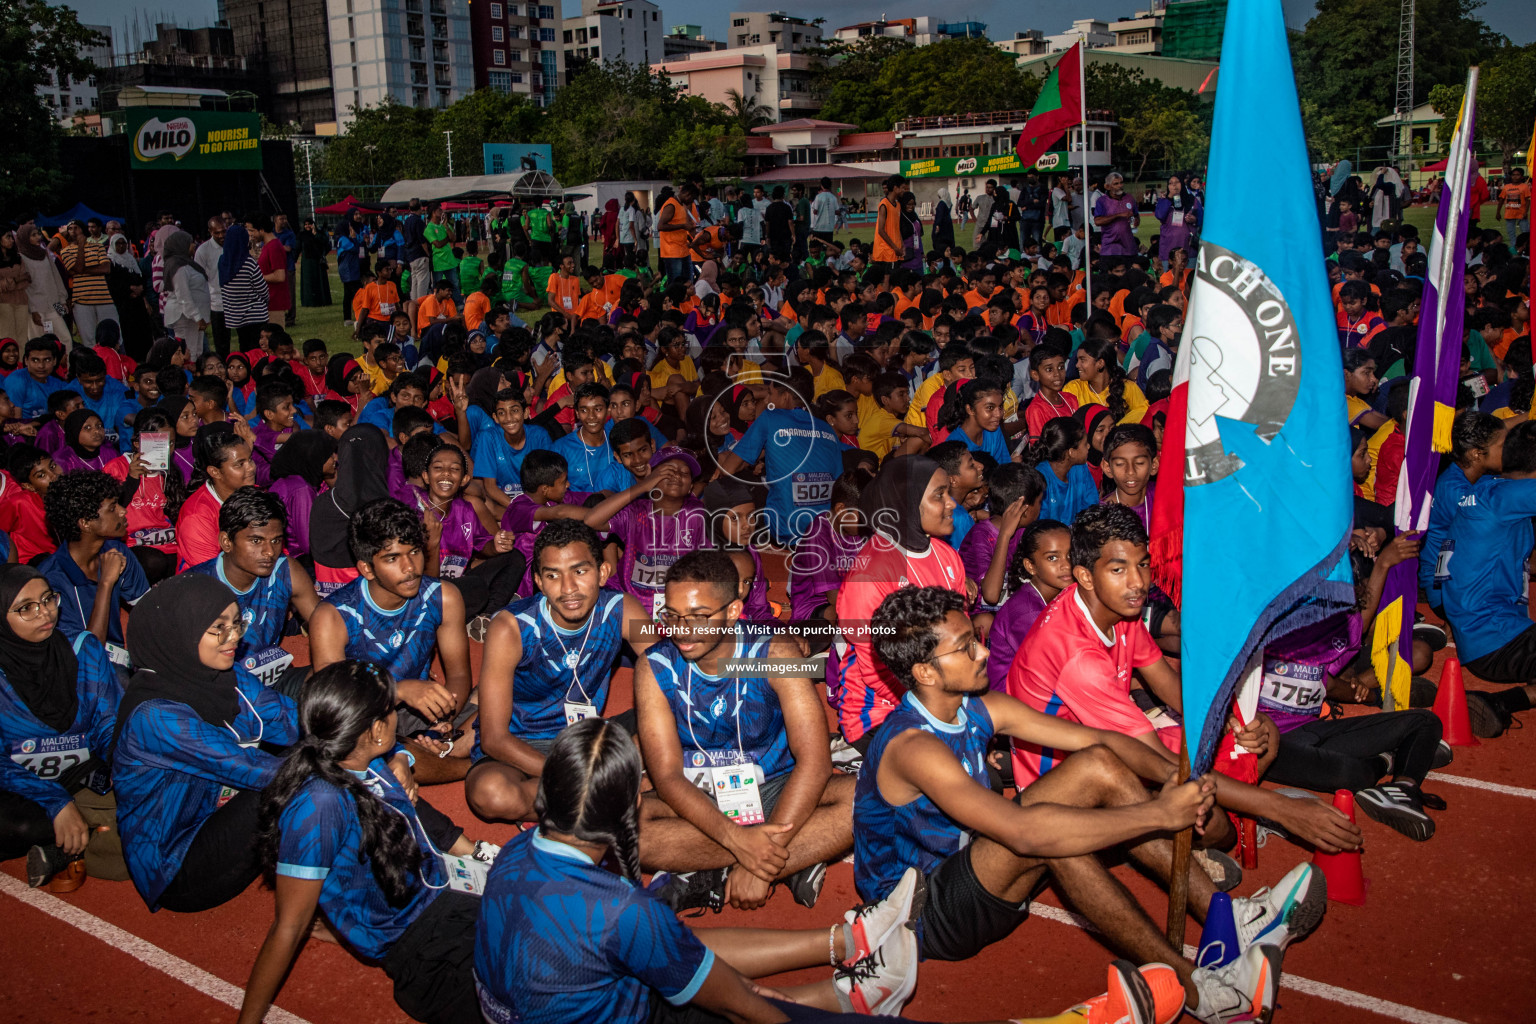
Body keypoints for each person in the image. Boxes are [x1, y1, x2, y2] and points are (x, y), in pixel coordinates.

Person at [858, 584, 1314, 1024]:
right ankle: (1200, 991)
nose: (981, 651)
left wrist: (1184, 781)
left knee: (1097, 762)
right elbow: (1022, 833)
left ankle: (1225, 918)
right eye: (965, 647)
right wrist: (1158, 813)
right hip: (918, 917)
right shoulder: (913, 746)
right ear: (924, 672)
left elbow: (1101, 739)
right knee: (1052, 836)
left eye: (975, 640)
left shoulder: (980, 708)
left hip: (971, 870)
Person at [1006, 504, 1365, 859]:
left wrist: (1232, 721)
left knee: (1256, 735)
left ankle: (1225, 818)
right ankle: (1220, 830)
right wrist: (1282, 808)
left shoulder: (1114, 605)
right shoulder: (1076, 653)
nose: (1137, 582)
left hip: (1114, 747)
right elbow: (1154, 758)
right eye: (1118, 569)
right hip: (1063, 788)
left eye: (1142, 564)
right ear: (1085, 576)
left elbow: (1167, 685)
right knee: (1216, 824)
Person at [237, 661, 491, 1024]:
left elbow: (394, 761)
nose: (397, 716)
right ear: (374, 730)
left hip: (449, 896)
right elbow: (287, 927)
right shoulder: (320, 806)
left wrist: (401, 756)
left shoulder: (357, 760)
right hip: (428, 950)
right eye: (390, 710)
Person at [636, 551, 855, 913]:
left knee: (864, 799)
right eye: (672, 616)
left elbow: (815, 762)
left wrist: (754, 862)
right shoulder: (654, 665)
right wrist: (738, 841)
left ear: (734, 611)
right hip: (700, 794)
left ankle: (709, 872)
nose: (682, 630)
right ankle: (790, 860)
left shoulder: (774, 652)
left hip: (776, 790)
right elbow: (667, 777)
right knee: (623, 826)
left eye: (699, 617)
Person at [111, 575, 304, 912]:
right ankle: (327, 903)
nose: (234, 638)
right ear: (180, 631)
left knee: (312, 752)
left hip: (219, 810)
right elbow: (256, 771)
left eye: (236, 623)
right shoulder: (156, 717)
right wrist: (361, 766)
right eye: (219, 627)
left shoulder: (226, 673)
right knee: (293, 784)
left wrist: (376, 740)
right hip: (178, 863)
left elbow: (291, 720)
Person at [466, 519, 653, 825]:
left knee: (673, 713)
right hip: (521, 742)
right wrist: (581, 779)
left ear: (603, 572)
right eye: (553, 576)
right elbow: (494, 739)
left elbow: (668, 669)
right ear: (539, 582)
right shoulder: (510, 627)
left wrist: (752, 665)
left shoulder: (622, 609)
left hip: (587, 736)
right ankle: (602, 797)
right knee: (491, 795)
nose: (568, 589)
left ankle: (583, 801)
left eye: (580, 571)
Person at [308, 498, 474, 783]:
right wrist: (397, 690)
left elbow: (458, 675)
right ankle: (465, 766)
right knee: (361, 752)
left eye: (414, 552)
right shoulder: (333, 616)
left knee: (504, 706)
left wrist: (442, 720)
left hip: (421, 711)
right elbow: (336, 705)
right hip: (365, 718)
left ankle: (435, 749)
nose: (410, 567)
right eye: (392, 558)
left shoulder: (443, 596)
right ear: (367, 568)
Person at [0, 564, 127, 890]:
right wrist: (55, 801)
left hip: (79, 771)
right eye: (26, 608)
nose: (45, 613)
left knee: (153, 785)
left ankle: (65, 847)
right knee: (28, 825)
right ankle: (74, 837)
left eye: (48, 600)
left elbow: (107, 720)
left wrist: (121, 763)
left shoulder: (83, 648)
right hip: (16, 781)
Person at [831, 454, 967, 750]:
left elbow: (960, 637)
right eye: (939, 495)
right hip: (879, 710)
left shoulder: (948, 557)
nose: (951, 503)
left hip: (939, 693)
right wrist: (937, 707)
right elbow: (876, 669)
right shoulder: (872, 571)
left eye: (948, 493)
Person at [1439, 419, 1536, 736]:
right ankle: (1499, 702)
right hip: (1497, 638)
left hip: (1485, 635)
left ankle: (1500, 704)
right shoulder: (1507, 499)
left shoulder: (1486, 490)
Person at [187, 487, 321, 698]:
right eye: (256, 541)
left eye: (276, 540)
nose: (269, 552)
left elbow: (326, 625)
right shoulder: (198, 587)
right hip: (218, 690)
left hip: (272, 679)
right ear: (226, 542)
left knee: (335, 683)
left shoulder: (286, 571)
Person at [715, 371, 850, 546]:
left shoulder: (771, 417)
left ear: (785, 397)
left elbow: (730, 468)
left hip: (787, 532)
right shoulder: (827, 429)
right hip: (827, 532)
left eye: (770, 394)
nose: (766, 401)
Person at [38, 471, 147, 659]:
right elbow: (89, 655)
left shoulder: (117, 551)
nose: (123, 510)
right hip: (80, 669)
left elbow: (148, 609)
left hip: (118, 658)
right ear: (86, 523)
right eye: (112, 508)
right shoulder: (51, 581)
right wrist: (105, 583)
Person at [309, 425, 392, 595]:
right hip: (374, 602)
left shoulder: (321, 503)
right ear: (381, 456)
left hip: (328, 601)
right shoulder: (388, 511)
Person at [175, 423, 259, 571]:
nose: (251, 468)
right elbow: (210, 573)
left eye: (250, 459)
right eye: (240, 464)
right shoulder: (196, 516)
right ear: (215, 472)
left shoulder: (257, 495)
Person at [266, 428, 337, 562]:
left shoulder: (291, 480)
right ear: (315, 458)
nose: (335, 458)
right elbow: (309, 544)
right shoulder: (301, 490)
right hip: (299, 560)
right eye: (329, 455)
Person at [1153, 175, 1201, 262]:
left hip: (1188, 249)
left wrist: (1195, 220)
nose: (1174, 185)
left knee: (1188, 275)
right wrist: (1170, 196)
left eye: (1177, 182)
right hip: (1169, 249)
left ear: (1182, 184)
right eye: (1171, 183)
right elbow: (1159, 215)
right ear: (1168, 186)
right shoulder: (1164, 201)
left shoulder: (1192, 200)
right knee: (1170, 275)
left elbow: (1202, 219)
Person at [1093, 173, 1140, 260]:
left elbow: (1136, 216)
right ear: (1108, 186)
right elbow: (1097, 221)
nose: (1120, 186)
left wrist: (1136, 221)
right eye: (1116, 184)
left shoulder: (1129, 198)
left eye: (1121, 183)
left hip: (1128, 248)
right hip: (1110, 249)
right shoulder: (1102, 201)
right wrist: (1118, 215)